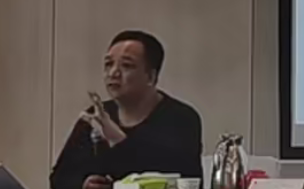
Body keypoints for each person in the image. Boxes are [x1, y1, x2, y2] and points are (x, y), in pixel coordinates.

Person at [50, 31, 203, 189]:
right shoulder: (95, 116)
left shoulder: (181, 119)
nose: (113, 73)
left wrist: (117, 139)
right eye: (108, 64)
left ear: (151, 76)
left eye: (127, 65)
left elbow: (178, 179)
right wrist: (83, 184)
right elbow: (59, 179)